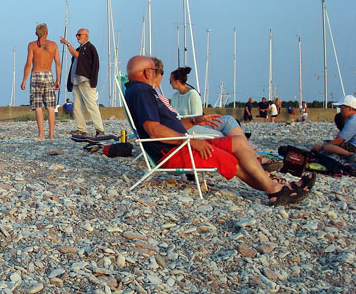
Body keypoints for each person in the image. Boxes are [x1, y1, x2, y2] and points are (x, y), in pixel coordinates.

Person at [124, 55, 314, 206]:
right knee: (230, 159)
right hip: (174, 151)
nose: (158, 74)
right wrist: (191, 141)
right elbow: (154, 130)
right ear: (148, 72)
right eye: (157, 71)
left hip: (181, 145)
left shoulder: (142, 91)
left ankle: (278, 186)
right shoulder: (142, 91)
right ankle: (275, 191)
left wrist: (196, 120)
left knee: (239, 142)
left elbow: (170, 126)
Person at [168, 66, 246, 139]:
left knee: (228, 120)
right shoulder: (175, 96)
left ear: (177, 81)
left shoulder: (192, 94)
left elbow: (197, 115)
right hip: (188, 126)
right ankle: (244, 145)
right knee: (226, 125)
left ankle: (243, 144)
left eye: (170, 80)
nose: (169, 83)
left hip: (191, 124)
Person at [59, 28, 104, 137]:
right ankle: (81, 129)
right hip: (76, 82)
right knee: (78, 106)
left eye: (79, 35)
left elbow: (78, 56)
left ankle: (100, 129)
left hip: (85, 81)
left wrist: (68, 44)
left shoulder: (89, 48)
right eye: (76, 35)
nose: (77, 37)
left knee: (91, 105)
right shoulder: (81, 48)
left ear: (86, 36)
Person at [20, 23, 61, 140]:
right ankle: (51, 135)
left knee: (38, 106)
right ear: (47, 33)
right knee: (50, 106)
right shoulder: (53, 45)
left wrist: (24, 80)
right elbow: (58, 64)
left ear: (36, 33)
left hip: (36, 75)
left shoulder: (32, 45)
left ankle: (41, 134)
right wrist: (58, 79)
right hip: (49, 75)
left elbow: (28, 64)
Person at [312, 95, 356, 163]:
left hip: (354, 147)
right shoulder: (353, 119)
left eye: (342, 108)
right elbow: (341, 136)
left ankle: (350, 155)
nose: (341, 111)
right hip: (352, 144)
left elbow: (340, 140)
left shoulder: (352, 122)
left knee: (327, 147)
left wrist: (322, 147)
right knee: (328, 144)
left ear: (350, 108)